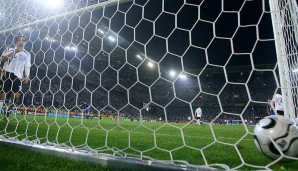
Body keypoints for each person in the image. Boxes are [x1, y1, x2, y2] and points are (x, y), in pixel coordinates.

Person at [0, 35, 31, 121]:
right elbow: (2, 59)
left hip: (18, 75)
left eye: (23, 40)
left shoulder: (27, 54)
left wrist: (27, 76)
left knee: (16, 96)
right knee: (2, 94)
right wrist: (15, 51)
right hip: (7, 73)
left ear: (25, 42)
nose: (21, 42)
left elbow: (27, 66)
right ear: (16, 42)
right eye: (20, 40)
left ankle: (7, 111)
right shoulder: (9, 49)